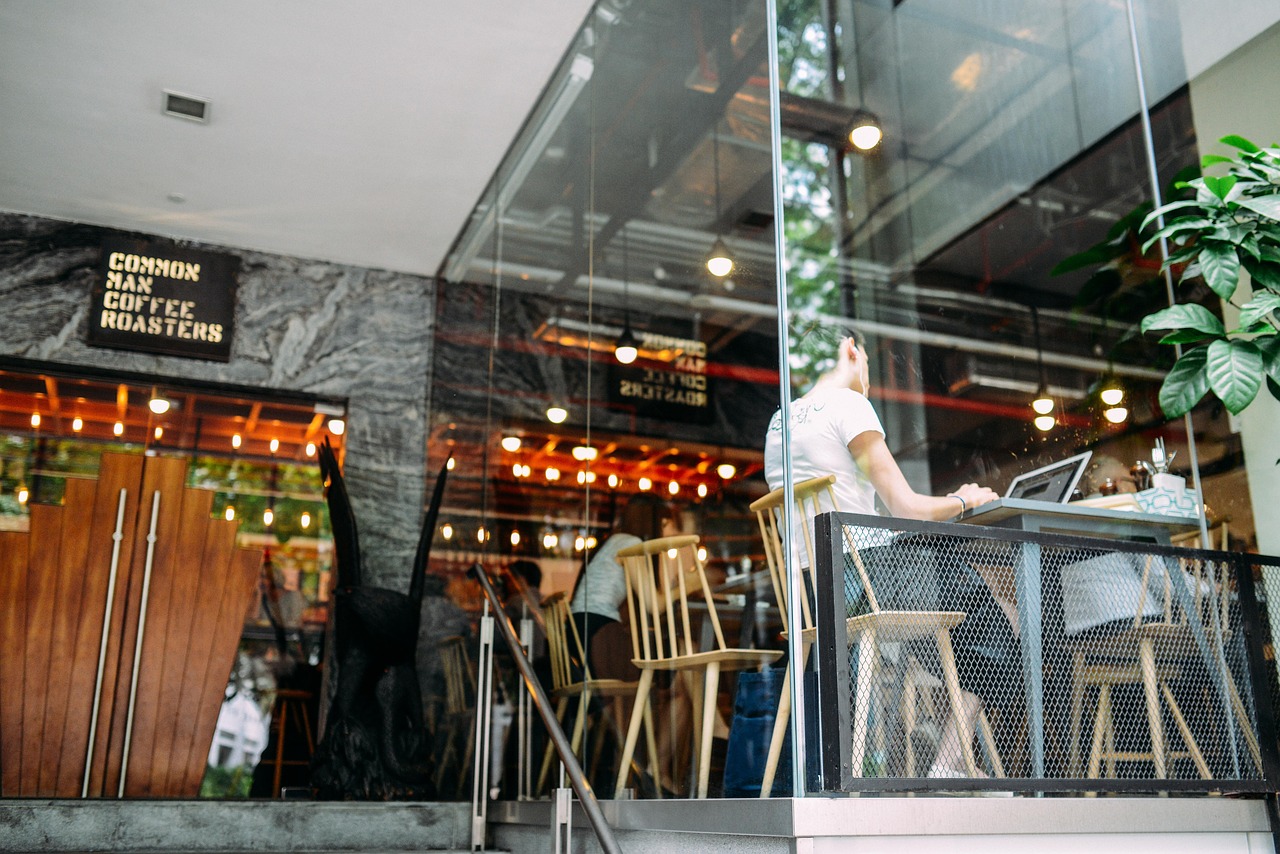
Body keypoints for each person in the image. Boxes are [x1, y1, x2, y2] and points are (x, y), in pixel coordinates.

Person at [762, 321, 1008, 778]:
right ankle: (950, 764)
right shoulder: (849, 404)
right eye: (870, 362)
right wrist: (963, 499)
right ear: (853, 350)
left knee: (956, 617)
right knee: (994, 631)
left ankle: (939, 742)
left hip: (812, 592)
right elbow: (906, 507)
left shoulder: (780, 420)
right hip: (865, 581)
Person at [569, 493, 679, 681]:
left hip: (581, 632)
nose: (668, 532)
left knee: (672, 654)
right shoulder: (630, 544)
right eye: (665, 524)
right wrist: (691, 584)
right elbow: (654, 605)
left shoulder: (614, 540)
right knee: (681, 652)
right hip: (598, 637)